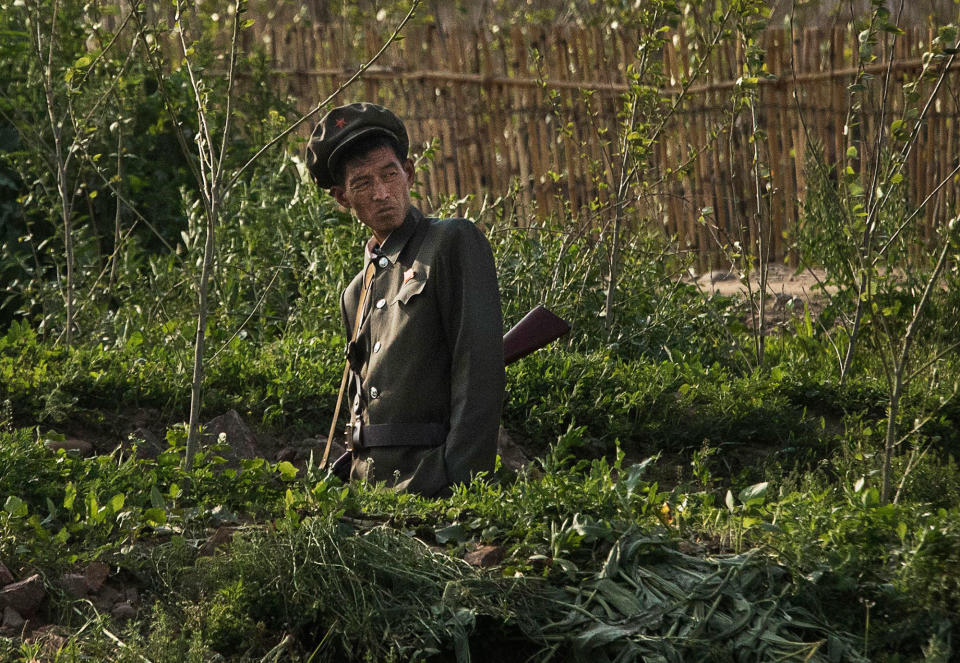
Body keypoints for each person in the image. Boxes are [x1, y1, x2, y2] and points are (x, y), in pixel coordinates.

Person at [305, 102, 504, 497]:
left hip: (433, 484)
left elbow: (479, 374)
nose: (381, 193)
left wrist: (461, 487)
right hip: (370, 493)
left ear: (408, 173)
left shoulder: (451, 242)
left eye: (389, 174)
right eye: (362, 183)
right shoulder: (355, 294)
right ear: (342, 197)